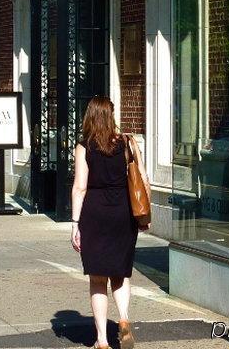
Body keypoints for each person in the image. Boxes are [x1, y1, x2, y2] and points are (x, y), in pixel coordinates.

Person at [71, 96, 139, 349]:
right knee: (120, 274)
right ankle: (123, 319)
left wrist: (75, 223)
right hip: (123, 213)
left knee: (98, 279)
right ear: (111, 116)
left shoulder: (84, 146)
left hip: (95, 214)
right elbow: (141, 178)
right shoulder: (127, 143)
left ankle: (101, 340)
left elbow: (79, 187)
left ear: (89, 116)